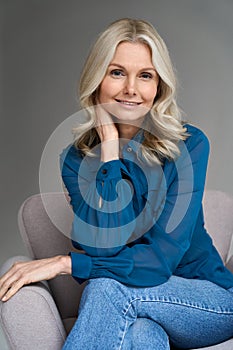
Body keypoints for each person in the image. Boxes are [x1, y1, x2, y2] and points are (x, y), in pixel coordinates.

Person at [1, 18, 233, 349]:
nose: (131, 89)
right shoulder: (77, 161)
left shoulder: (189, 145)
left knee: (107, 286)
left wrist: (66, 263)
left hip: (208, 300)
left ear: (159, 86)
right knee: (142, 336)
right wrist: (109, 156)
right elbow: (104, 246)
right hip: (141, 308)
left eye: (145, 75)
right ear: (97, 79)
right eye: (117, 72)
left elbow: (159, 263)